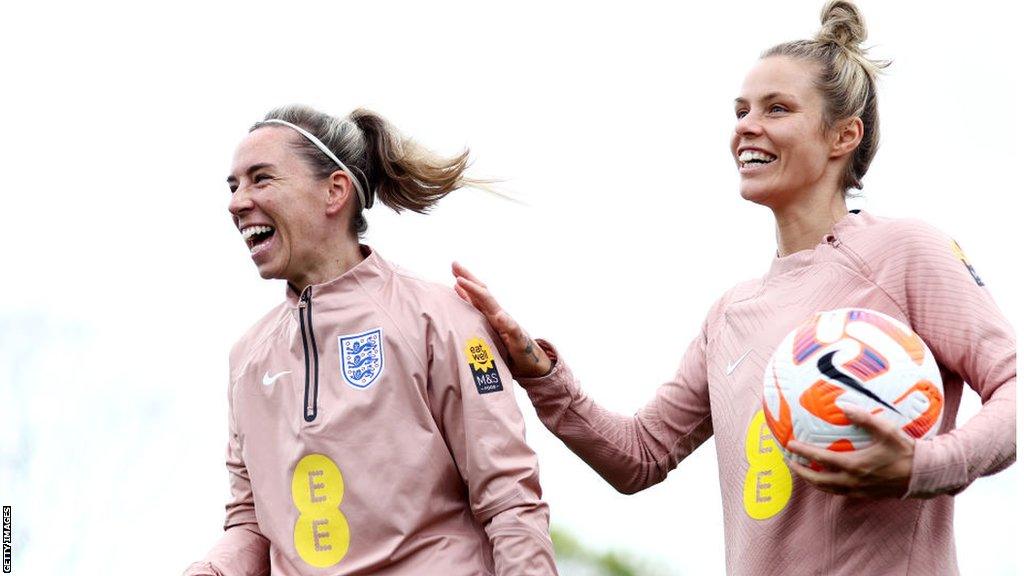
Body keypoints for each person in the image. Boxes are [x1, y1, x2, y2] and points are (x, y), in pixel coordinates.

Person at [451, 2, 1016, 575]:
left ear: (844, 135)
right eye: (741, 110)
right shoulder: (731, 314)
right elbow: (639, 457)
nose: (746, 126)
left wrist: (924, 465)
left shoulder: (905, 252)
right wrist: (538, 372)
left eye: (777, 109)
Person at [183, 105, 558, 575]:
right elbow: (251, 523)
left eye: (261, 179)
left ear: (334, 191)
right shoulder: (248, 358)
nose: (237, 202)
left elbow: (509, 499)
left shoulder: (438, 318)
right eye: (233, 186)